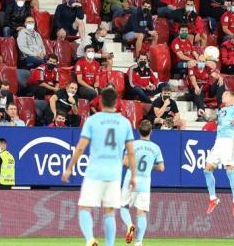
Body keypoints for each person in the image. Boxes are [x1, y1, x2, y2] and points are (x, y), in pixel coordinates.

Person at [62, 88, 136, 244]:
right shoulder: (125, 123)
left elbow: (81, 147)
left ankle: (90, 239)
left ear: (101, 102)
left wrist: (69, 168)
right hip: (114, 175)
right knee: (109, 212)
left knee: (84, 207)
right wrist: (134, 176)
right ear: (117, 102)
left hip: (94, 173)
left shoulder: (93, 120)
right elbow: (131, 152)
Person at [203, 90, 234, 217]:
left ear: (230, 97)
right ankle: (213, 199)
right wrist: (204, 116)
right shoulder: (222, 110)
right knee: (207, 170)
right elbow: (214, 120)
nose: (221, 96)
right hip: (218, 142)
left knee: (230, 170)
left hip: (229, 141)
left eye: (223, 95)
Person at [119, 119, 165, 245]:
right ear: (151, 131)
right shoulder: (155, 147)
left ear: (138, 131)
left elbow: (125, 163)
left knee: (123, 206)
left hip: (130, 179)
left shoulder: (131, 144)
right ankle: (139, 242)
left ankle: (129, 225)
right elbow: (161, 168)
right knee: (142, 212)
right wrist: (152, 166)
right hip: (144, 183)